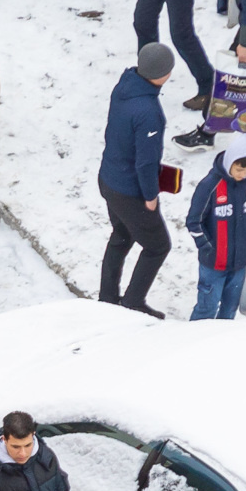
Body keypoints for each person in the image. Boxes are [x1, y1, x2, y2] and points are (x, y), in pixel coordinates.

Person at [96, 45, 176, 314]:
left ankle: (107, 297)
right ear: (162, 74)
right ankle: (132, 302)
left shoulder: (124, 87)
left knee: (121, 235)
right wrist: (150, 196)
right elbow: (145, 162)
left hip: (109, 179)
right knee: (158, 246)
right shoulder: (149, 112)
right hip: (130, 191)